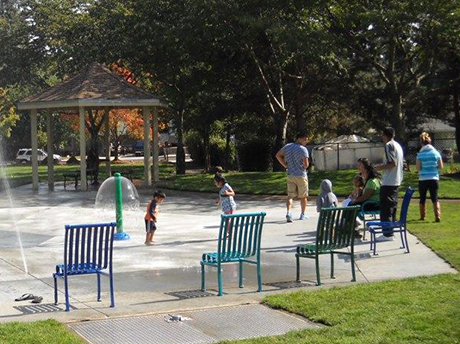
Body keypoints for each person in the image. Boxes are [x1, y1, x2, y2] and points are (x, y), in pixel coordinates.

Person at [375, 127, 404, 240]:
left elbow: (392, 163)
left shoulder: (389, 146)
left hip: (388, 182)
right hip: (396, 180)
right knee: (392, 207)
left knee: (386, 208)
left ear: (384, 135)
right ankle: (390, 231)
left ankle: (387, 234)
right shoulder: (398, 146)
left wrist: (379, 168)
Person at [275, 131, 310, 222]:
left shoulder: (288, 146)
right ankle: (303, 214)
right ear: (299, 138)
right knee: (303, 196)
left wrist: (285, 165)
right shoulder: (303, 149)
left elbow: (278, 155)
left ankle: (289, 213)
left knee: (290, 196)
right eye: (305, 139)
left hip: (290, 174)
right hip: (301, 175)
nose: (306, 141)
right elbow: (306, 164)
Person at [416, 132, 443, 222]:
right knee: (435, 198)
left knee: (422, 198)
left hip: (423, 179)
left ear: (421, 142)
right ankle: (437, 216)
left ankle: (423, 216)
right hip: (434, 178)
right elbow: (440, 166)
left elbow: (418, 168)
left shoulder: (420, 154)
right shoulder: (436, 153)